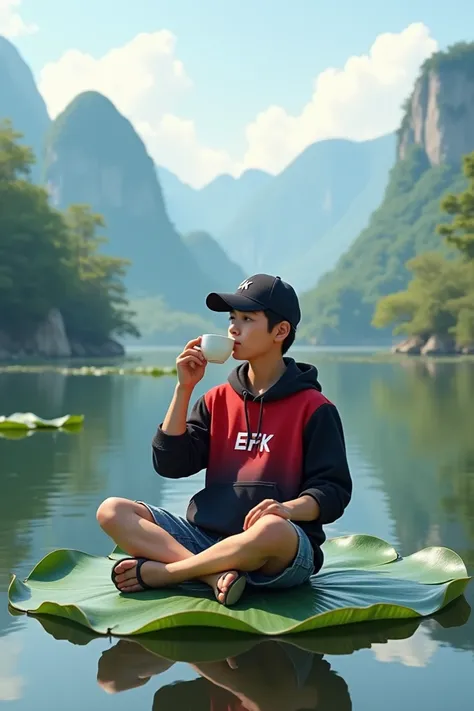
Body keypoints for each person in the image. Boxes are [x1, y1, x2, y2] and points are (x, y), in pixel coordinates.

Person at [97, 274, 352, 606]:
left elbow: (333, 491)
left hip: (277, 553)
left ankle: (170, 573)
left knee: (271, 528)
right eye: (232, 318)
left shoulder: (315, 408)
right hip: (207, 539)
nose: (233, 328)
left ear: (280, 331)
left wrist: (285, 509)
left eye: (247, 319)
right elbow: (171, 465)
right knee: (112, 510)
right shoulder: (216, 399)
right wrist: (184, 388)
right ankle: (210, 575)